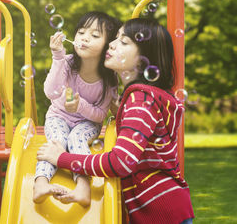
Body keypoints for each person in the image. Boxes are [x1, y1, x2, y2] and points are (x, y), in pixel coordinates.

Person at [37, 18, 195, 223]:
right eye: (115, 38)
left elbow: (120, 162)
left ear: (142, 60)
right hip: (161, 209)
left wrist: (62, 158)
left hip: (161, 212)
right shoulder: (141, 98)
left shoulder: (141, 101)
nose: (112, 43)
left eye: (124, 41)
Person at [33, 11, 122, 207]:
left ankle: (83, 187)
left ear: (108, 46)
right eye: (81, 32)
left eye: (95, 35)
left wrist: (80, 105)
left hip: (88, 123)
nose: (85, 38)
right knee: (57, 142)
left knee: (76, 139)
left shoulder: (109, 78)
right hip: (58, 116)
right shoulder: (67, 62)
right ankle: (40, 184)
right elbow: (50, 92)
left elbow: (100, 115)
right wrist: (57, 57)